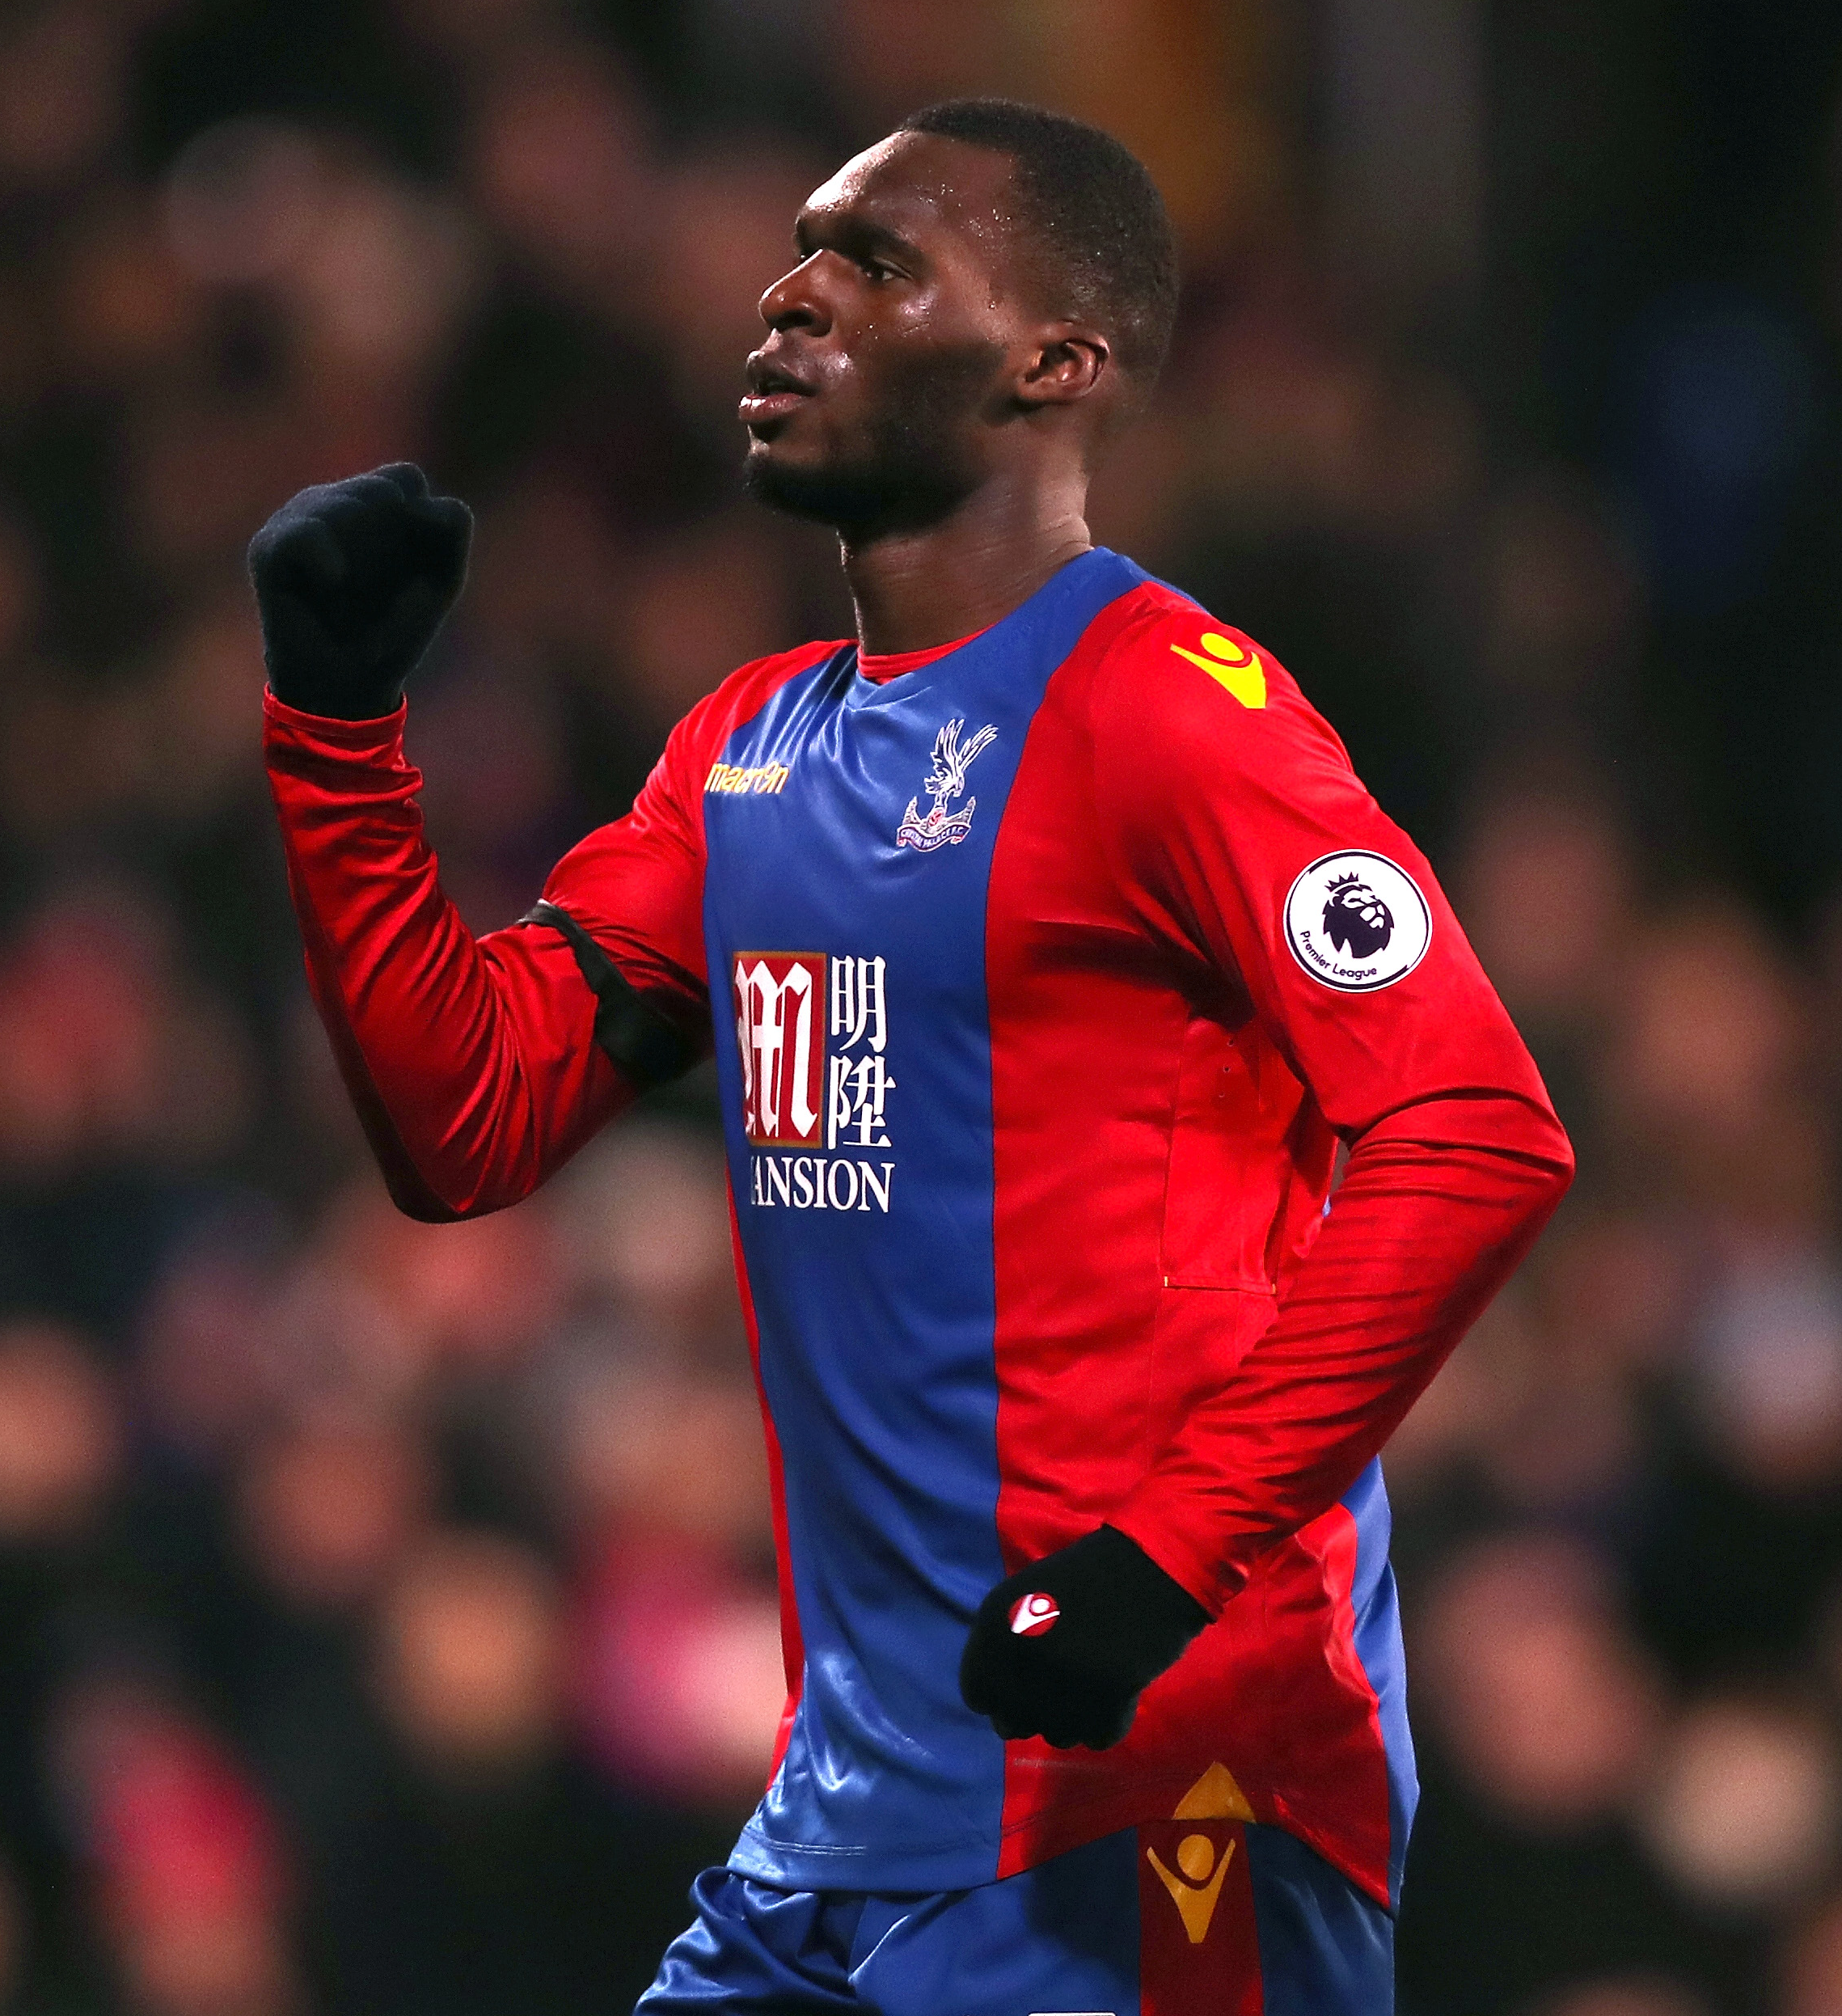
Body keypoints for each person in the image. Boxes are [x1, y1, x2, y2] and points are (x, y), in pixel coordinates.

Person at [250, 99, 1574, 2014]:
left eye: (876, 263)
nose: (790, 297)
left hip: (1163, 1785)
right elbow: (466, 1121)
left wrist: (1162, 1562)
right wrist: (339, 737)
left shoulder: (1174, 715)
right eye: (802, 248)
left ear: (1058, 361)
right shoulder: (750, 752)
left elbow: (1477, 1133)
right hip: (843, 1829)